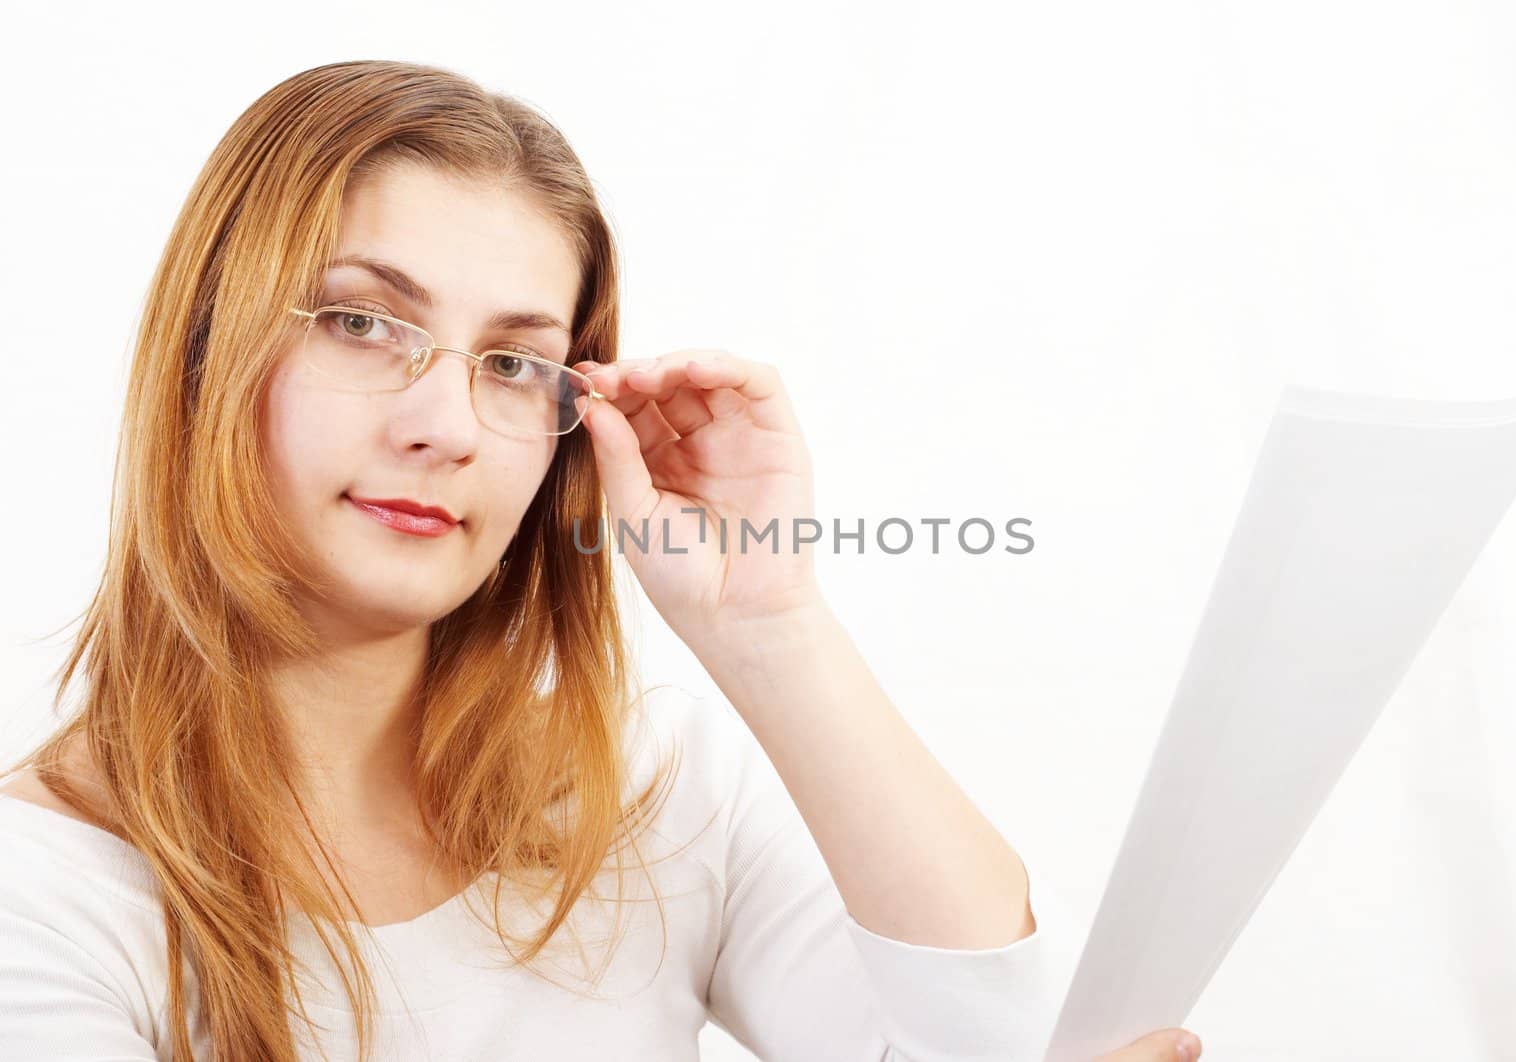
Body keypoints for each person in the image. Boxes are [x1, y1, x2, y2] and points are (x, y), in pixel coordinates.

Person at [0, 59, 1203, 1062]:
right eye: (363, 322)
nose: (450, 426)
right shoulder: (43, 896)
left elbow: (1018, 1044)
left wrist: (769, 624)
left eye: (514, 361)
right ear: (204, 354)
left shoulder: (653, 790)